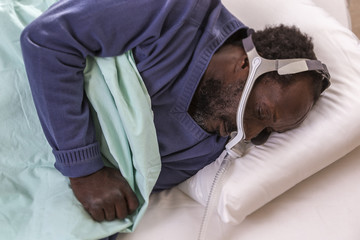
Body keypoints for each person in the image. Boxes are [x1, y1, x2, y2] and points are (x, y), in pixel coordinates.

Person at [20, 0, 329, 225]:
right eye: (261, 111)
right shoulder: (177, 11)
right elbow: (46, 41)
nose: (249, 133)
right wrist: (85, 168)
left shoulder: (206, 147)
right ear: (246, 64)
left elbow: (115, 199)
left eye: (265, 135)